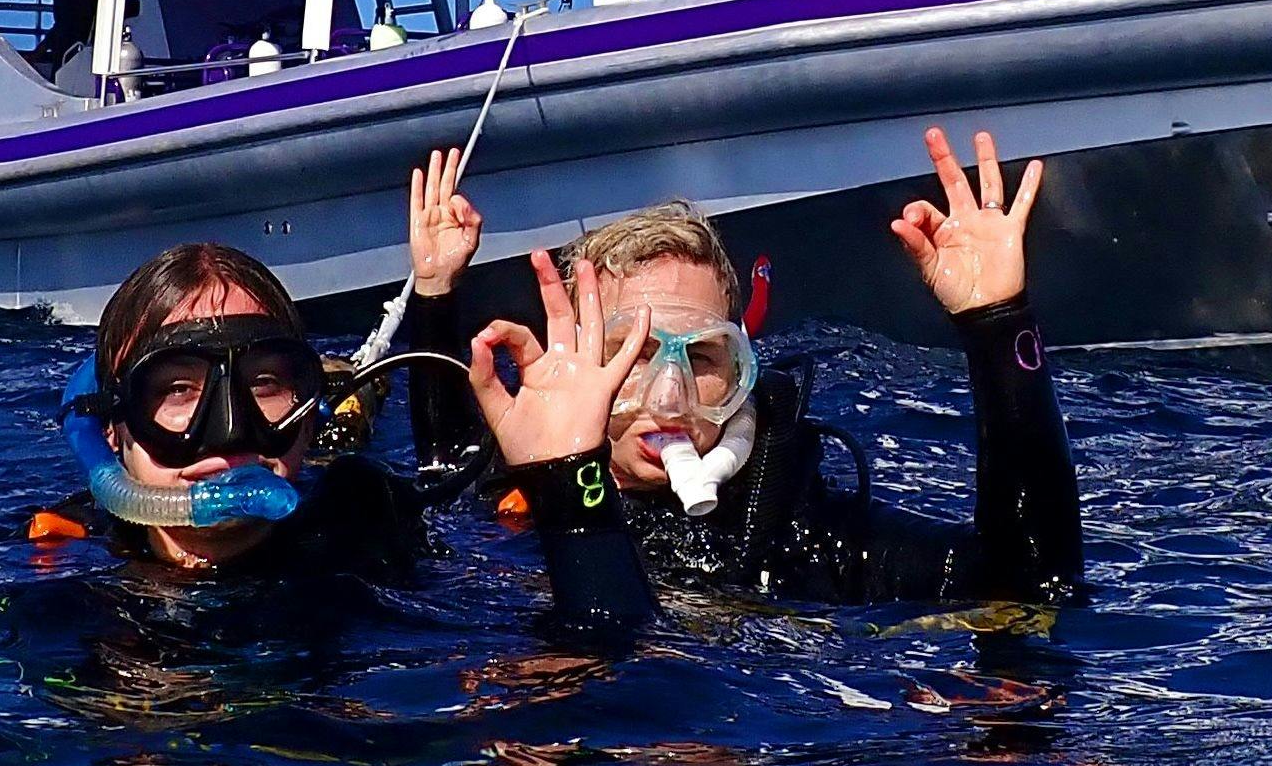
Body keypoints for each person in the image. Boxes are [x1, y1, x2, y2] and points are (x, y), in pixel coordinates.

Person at [401, 127, 1082, 608]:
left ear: (742, 370)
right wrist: (433, 293)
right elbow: (442, 463)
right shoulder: (502, 508)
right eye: (630, 354)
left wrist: (998, 326)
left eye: (700, 357)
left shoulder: (799, 531)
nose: (668, 397)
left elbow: (1032, 582)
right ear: (574, 360)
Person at [27, 238, 655, 638]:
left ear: (309, 406)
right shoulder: (66, 559)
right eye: (176, 390)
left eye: (266, 381)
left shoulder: (367, 529)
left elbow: (605, 661)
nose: (229, 429)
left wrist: (569, 485)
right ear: (114, 430)